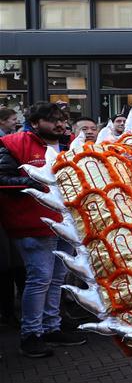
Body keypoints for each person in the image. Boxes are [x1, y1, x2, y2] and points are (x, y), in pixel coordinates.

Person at [0, 102, 86, 357]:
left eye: (62, 119)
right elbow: (2, 178)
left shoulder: (71, 144)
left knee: (56, 277)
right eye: (53, 120)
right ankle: (31, 335)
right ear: (35, 123)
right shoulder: (14, 144)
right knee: (40, 279)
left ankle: (52, 327)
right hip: (33, 223)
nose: (60, 124)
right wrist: (37, 180)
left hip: (66, 223)